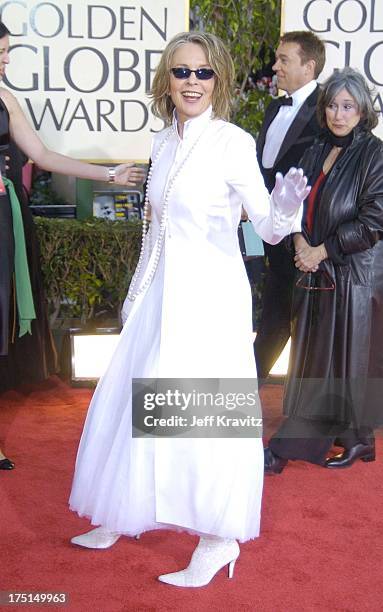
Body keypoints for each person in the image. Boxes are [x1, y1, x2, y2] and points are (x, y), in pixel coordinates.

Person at [69, 31, 309, 587]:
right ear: (167, 80)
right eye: (182, 72)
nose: (192, 82)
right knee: (138, 401)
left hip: (210, 298)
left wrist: (287, 207)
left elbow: (270, 230)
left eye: (203, 73)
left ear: (218, 79)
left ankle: (217, 539)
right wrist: (135, 294)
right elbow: (154, 231)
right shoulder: (161, 141)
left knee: (202, 418)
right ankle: (121, 511)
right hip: (160, 293)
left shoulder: (231, 143)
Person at [0, 21, 145, 391]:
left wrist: (109, 174)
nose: (5, 61)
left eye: (7, 52)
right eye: (0, 52)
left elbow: (43, 155)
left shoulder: (5, 97)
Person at [264, 67, 383, 474]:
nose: (338, 114)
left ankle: (303, 443)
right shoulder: (315, 148)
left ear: (363, 110)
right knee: (318, 358)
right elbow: (293, 201)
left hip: (354, 273)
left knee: (346, 359)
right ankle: (354, 439)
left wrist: (323, 250)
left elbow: (374, 220)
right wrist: (300, 242)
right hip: (314, 268)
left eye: (348, 106)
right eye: (332, 104)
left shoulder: (375, 154)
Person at [254, 31, 325, 380]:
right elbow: (263, 169)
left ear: (308, 67)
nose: (275, 66)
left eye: (284, 60)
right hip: (264, 229)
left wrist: (302, 235)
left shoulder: (325, 111)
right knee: (271, 313)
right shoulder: (274, 106)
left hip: (304, 238)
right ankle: (241, 395)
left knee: (298, 321)